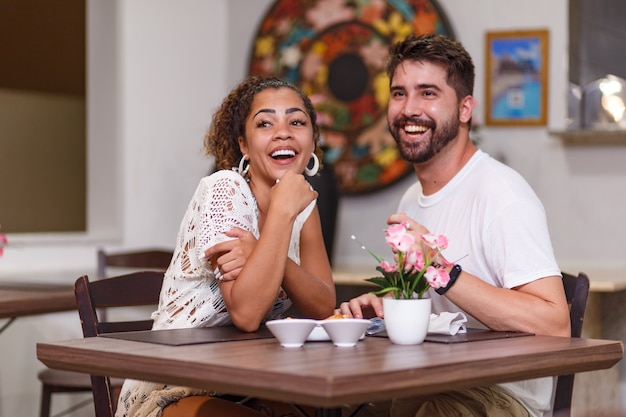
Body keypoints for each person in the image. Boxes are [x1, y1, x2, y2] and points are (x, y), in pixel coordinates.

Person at [339, 33, 570, 417]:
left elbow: (554, 324)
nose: (409, 108)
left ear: (465, 109)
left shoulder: (502, 193)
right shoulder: (411, 199)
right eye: (399, 93)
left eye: (428, 93)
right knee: (340, 407)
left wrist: (439, 267)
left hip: (500, 395)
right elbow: (439, 310)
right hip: (431, 377)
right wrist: (387, 307)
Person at [115, 75, 336, 417]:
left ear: (312, 142)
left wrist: (263, 251)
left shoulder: (302, 206)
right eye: (265, 123)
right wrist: (279, 216)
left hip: (246, 383)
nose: (284, 131)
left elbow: (323, 304)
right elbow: (246, 314)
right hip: (172, 384)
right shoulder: (225, 190)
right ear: (244, 145)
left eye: (297, 121)